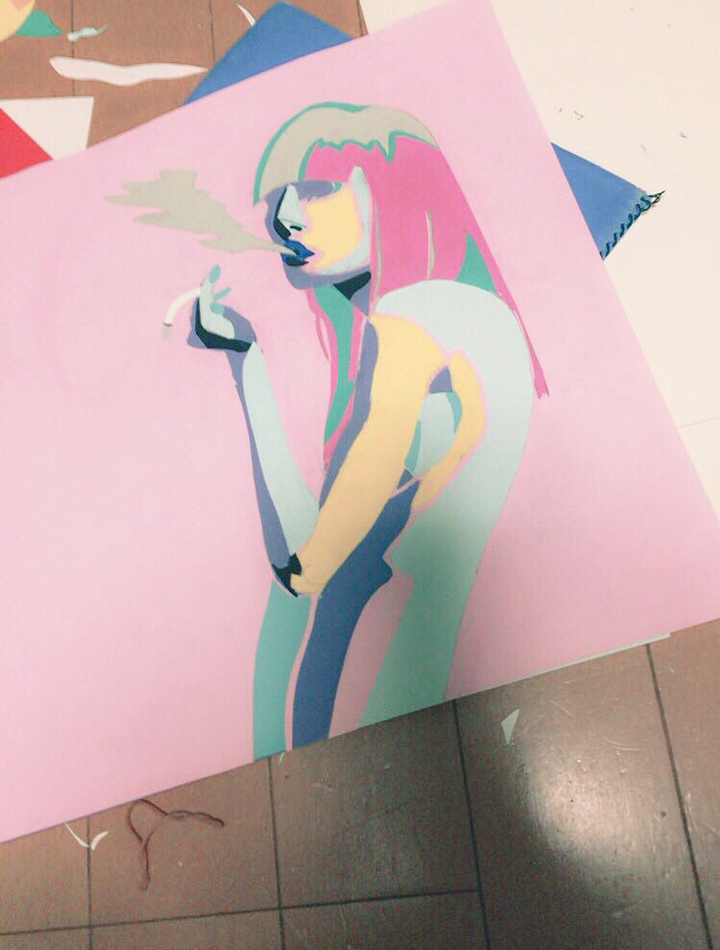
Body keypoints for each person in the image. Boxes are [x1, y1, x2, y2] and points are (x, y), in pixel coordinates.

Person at [190, 102, 545, 756]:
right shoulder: (457, 317)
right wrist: (247, 361)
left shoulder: (415, 322)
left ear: (396, 188)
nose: (284, 219)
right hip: (424, 688)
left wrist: (245, 364)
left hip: (384, 700)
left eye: (315, 189)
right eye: (276, 202)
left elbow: (312, 553)